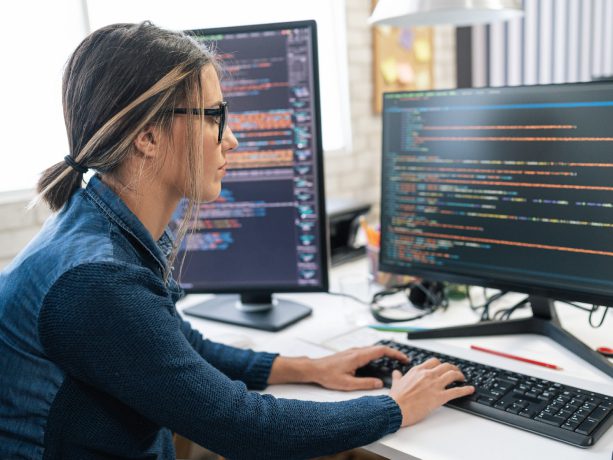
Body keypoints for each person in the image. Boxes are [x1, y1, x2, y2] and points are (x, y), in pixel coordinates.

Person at [0, 22, 474, 459]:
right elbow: (242, 426)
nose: (232, 140)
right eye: (213, 116)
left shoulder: (98, 228)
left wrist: (310, 367)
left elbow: (182, 350)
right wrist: (397, 405)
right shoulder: (95, 280)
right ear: (147, 136)